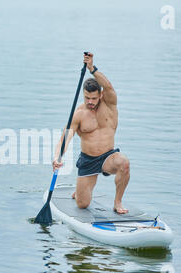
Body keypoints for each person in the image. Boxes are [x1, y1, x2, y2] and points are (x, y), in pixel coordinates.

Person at [52, 52, 130, 214]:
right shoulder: (79, 113)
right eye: (87, 98)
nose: (90, 102)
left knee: (124, 162)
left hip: (109, 157)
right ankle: (81, 190)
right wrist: (57, 157)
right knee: (82, 204)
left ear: (100, 95)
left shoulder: (109, 104)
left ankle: (117, 202)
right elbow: (65, 138)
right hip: (88, 161)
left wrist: (92, 68)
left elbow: (108, 86)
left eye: (94, 98)